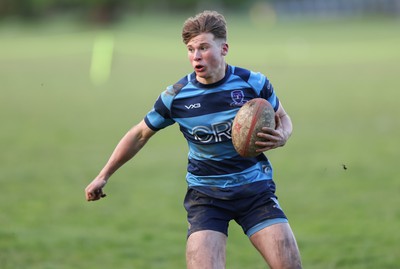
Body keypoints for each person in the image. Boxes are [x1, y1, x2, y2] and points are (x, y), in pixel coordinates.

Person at [85, 10, 302, 269]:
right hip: (206, 197)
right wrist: (104, 174)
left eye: (203, 47)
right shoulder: (177, 96)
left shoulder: (252, 83)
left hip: (254, 190)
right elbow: (139, 134)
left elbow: (283, 117)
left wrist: (283, 136)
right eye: (190, 49)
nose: (195, 56)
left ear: (224, 48)